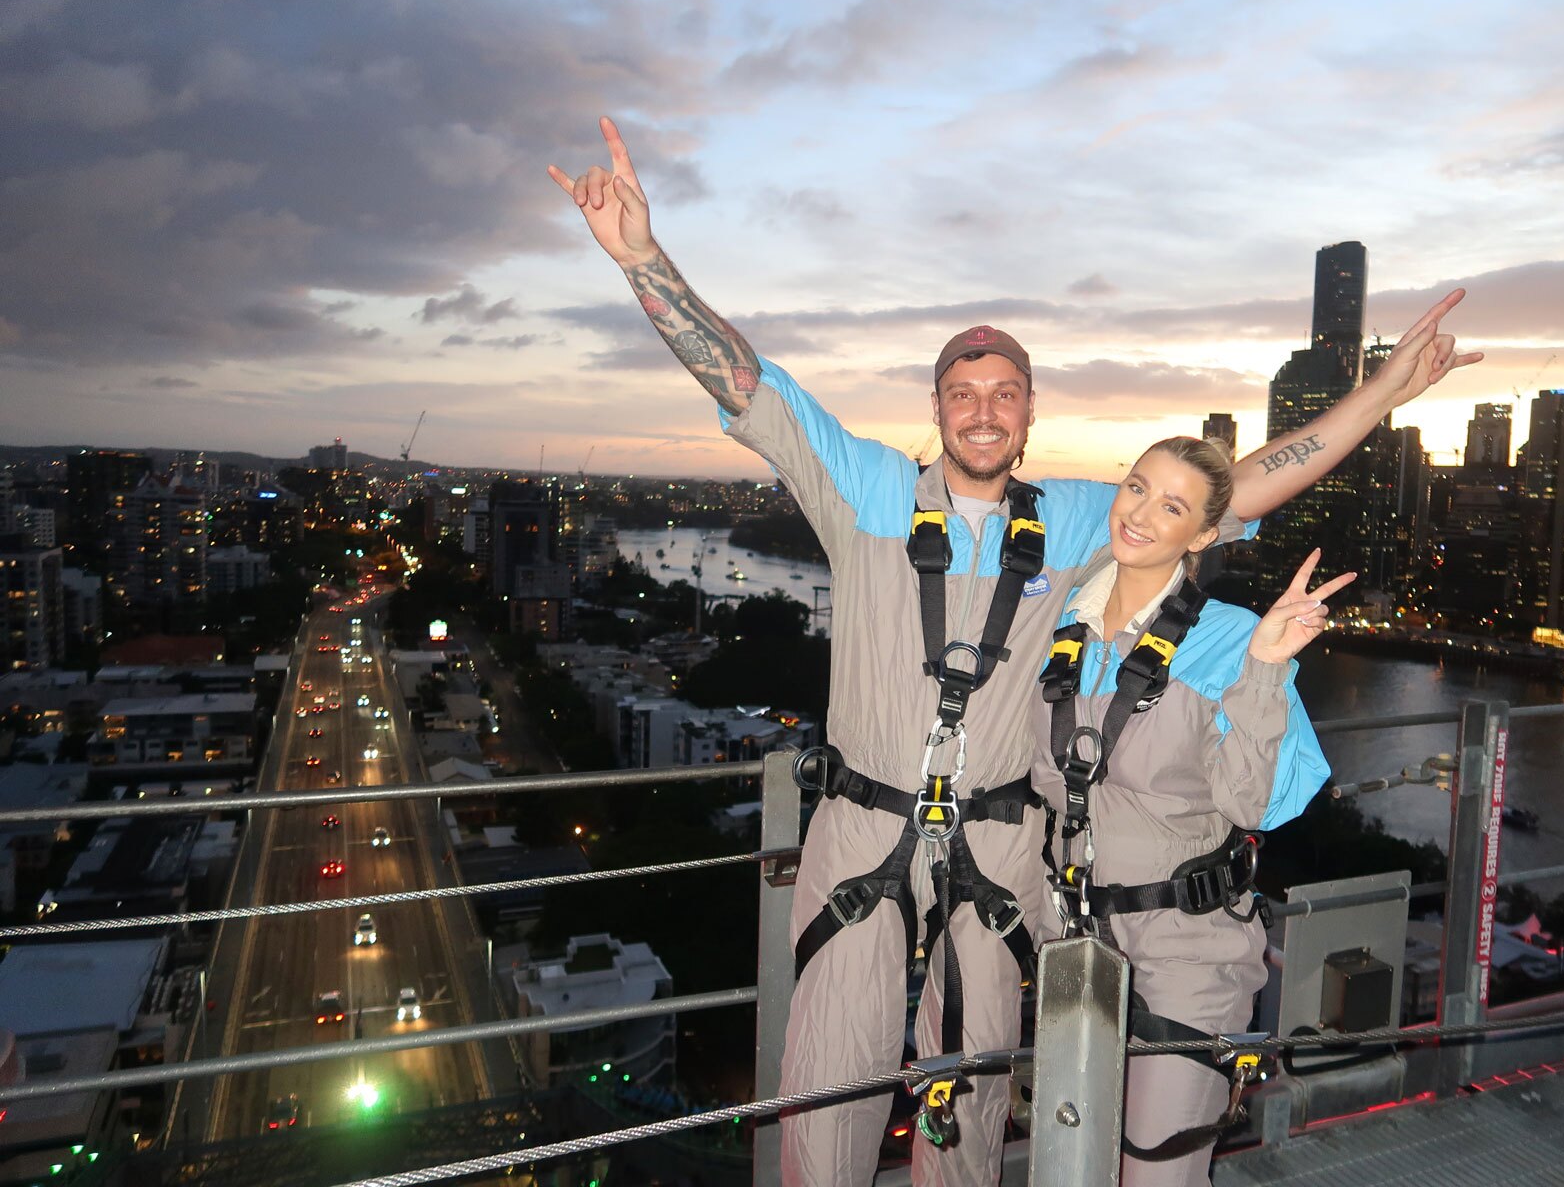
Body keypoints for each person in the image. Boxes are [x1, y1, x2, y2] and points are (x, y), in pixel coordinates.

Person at [549, 116, 1480, 1187]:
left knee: (974, 1097)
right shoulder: (870, 492)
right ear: (936, 407)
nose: (982, 410)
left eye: (1003, 392)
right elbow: (746, 385)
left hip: (1000, 848)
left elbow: (1233, 486)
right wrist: (641, 261)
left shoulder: (1083, 521)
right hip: (861, 829)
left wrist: (1382, 393)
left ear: (1029, 412)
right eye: (962, 390)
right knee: (826, 1095)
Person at [1031, 439, 1341, 1184]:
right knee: (1072, 1164)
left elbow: (1255, 803)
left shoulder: (1231, 637)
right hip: (1072, 941)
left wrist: (1266, 671)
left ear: (1205, 534)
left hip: (1186, 951)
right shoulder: (1057, 623)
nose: (1139, 514)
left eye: (1171, 506)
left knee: (1157, 1172)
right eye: (1136, 488)